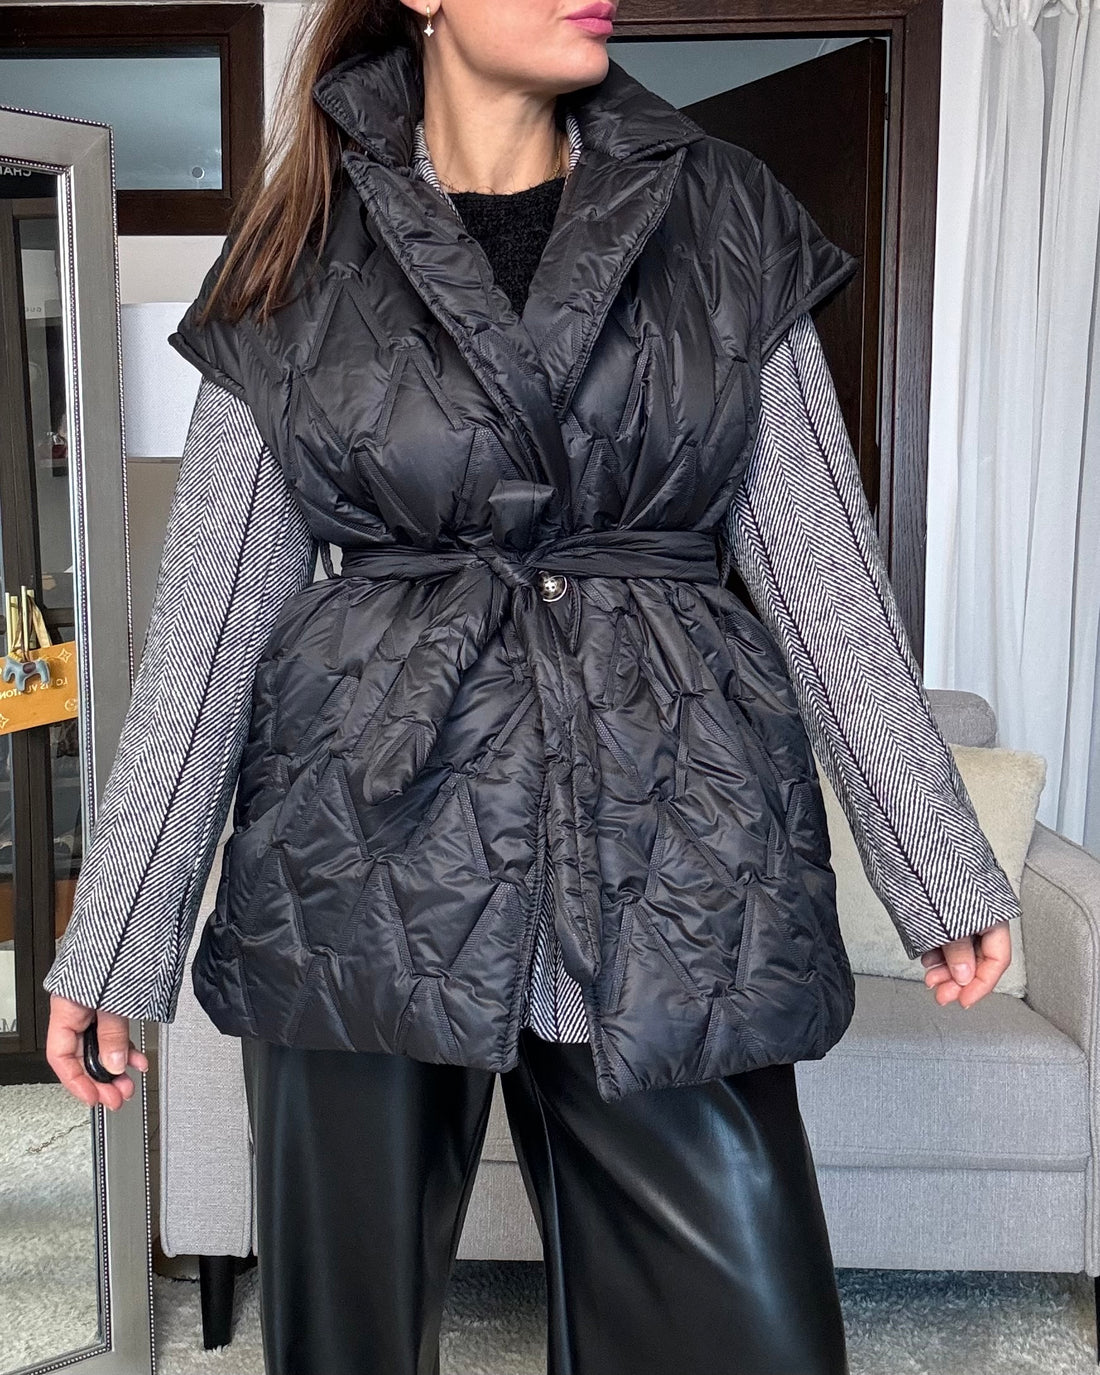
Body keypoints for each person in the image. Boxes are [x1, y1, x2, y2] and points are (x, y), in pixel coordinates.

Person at [44, 3, 1018, 1372]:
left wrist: (935, 859)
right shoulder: (299, 242)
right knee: (347, 1346)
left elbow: (825, 577)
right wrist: (119, 935)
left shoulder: (721, 210)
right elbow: (211, 623)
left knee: (748, 1341)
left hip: (667, 835)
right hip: (360, 851)